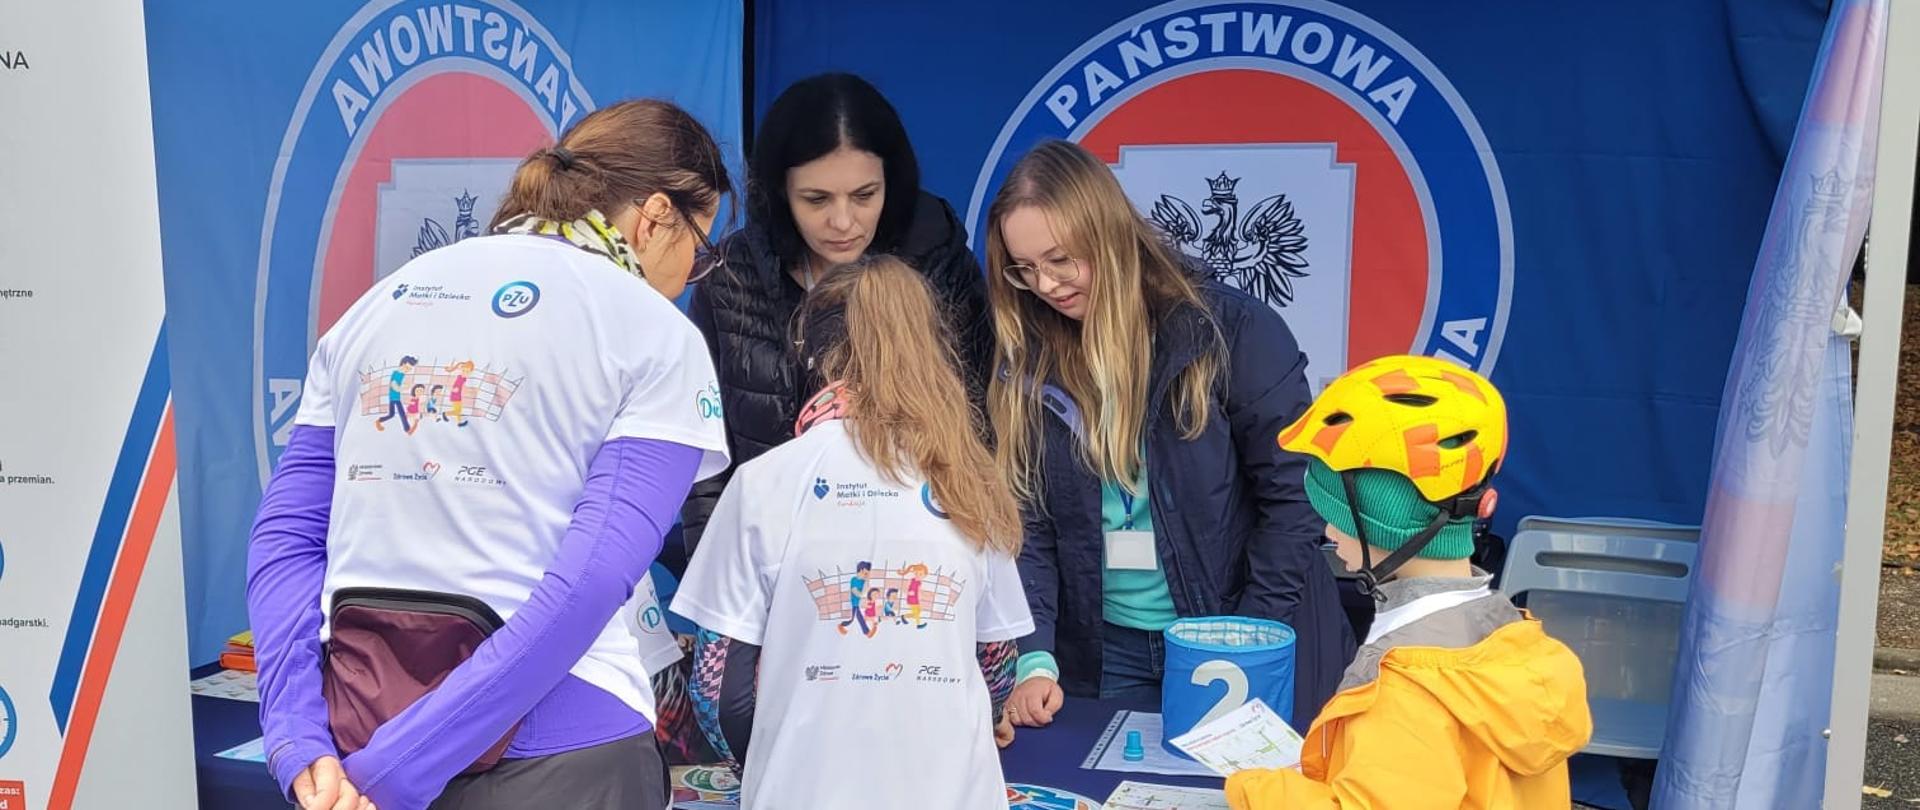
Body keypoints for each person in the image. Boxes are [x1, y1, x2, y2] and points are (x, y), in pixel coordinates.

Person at [246, 99, 734, 810]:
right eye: (701, 243)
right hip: (562, 754)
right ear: (657, 214)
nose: (693, 272)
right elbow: (590, 581)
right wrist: (401, 764)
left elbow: (285, 538)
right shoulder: (654, 334)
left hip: (357, 743)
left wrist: (299, 738)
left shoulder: (379, 304)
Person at [985, 140, 1356, 731]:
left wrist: (1245, 636)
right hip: (1103, 653)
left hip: (1240, 632)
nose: (1046, 285)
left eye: (1060, 260)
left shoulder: (1231, 329)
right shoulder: (1028, 357)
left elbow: (1297, 498)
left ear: (1109, 233)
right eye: (1025, 269)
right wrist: (1034, 654)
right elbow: (1027, 521)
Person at [670, 256, 1031, 809]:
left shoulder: (765, 481)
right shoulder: (968, 481)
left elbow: (718, 691)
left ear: (813, 352)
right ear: (932, 348)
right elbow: (997, 662)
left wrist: (772, 755)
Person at [1225, 355, 1592, 808]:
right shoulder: (1509, 635)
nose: (1328, 532)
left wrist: (1253, 787)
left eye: (1335, 514)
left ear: (1381, 524)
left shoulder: (1404, 688)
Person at [681, 72, 993, 557]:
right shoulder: (732, 278)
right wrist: (718, 582)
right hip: (770, 571)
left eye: (865, 195)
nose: (843, 222)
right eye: (817, 199)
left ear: (894, 180)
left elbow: (982, 431)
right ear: (779, 191)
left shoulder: (941, 264)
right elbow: (703, 458)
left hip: (916, 578)